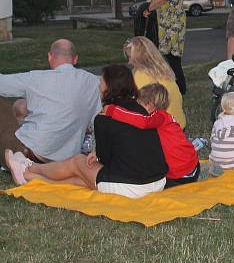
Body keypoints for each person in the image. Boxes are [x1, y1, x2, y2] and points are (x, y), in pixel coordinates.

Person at [4, 65, 168, 198]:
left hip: (129, 186)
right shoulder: (140, 109)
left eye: (101, 83)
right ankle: (33, 178)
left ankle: (29, 168)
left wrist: (94, 154)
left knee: (77, 162)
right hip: (157, 181)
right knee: (79, 177)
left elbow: (104, 159)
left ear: (109, 89)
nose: (98, 85)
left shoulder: (104, 117)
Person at [0, 39, 101, 163]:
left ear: (49, 56)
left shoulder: (36, 78)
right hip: (67, 158)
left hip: (33, 152)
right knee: (20, 104)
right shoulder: (93, 82)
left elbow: (2, 84)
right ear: (75, 59)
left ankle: (18, 158)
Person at [105, 83, 199, 188]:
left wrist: (112, 111)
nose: (136, 108)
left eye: (139, 103)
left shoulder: (159, 117)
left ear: (150, 106)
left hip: (180, 175)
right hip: (193, 165)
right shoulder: (166, 118)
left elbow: (142, 121)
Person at [123, 36, 186, 129]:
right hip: (179, 124)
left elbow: (136, 105)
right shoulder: (164, 70)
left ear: (137, 58)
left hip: (163, 128)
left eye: (130, 57)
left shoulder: (141, 74)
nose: (129, 62)